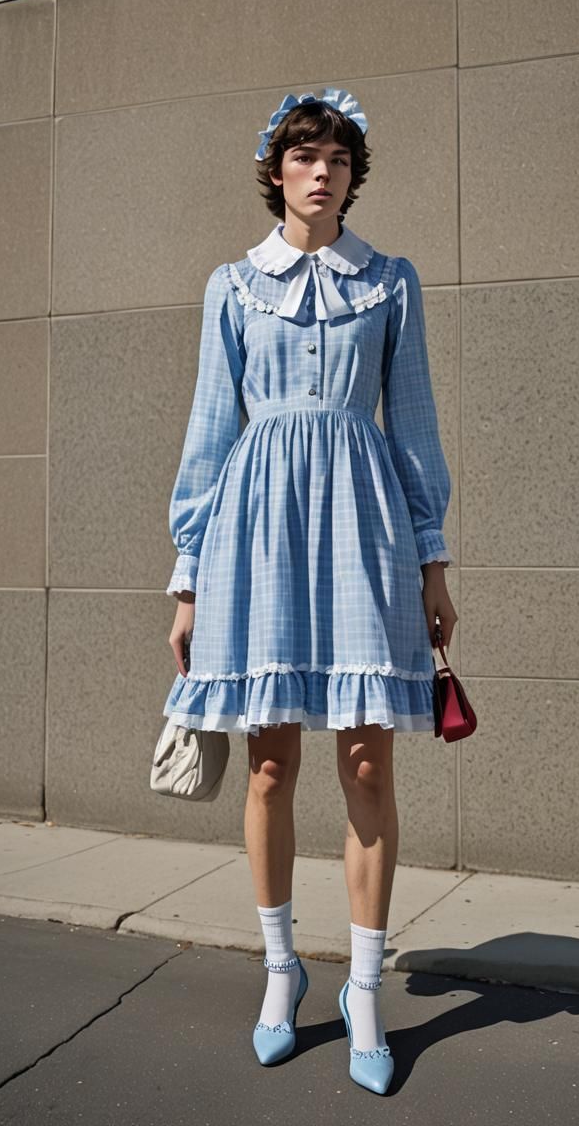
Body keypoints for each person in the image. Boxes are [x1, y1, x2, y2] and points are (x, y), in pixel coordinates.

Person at [163, 88, 457, 1096]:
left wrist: (432, 561)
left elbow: (410, 424)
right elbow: (209, 432)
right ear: (275, 172)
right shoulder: (233, 288)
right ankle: (280, 969)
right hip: (255, 531)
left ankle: (364, 989)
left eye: (333, 157)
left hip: (363, 523)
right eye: (301, 156)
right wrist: (187, 580)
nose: (319, 172)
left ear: (350, 175)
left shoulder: (389, 284)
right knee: (267, 765)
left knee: (368, 761)